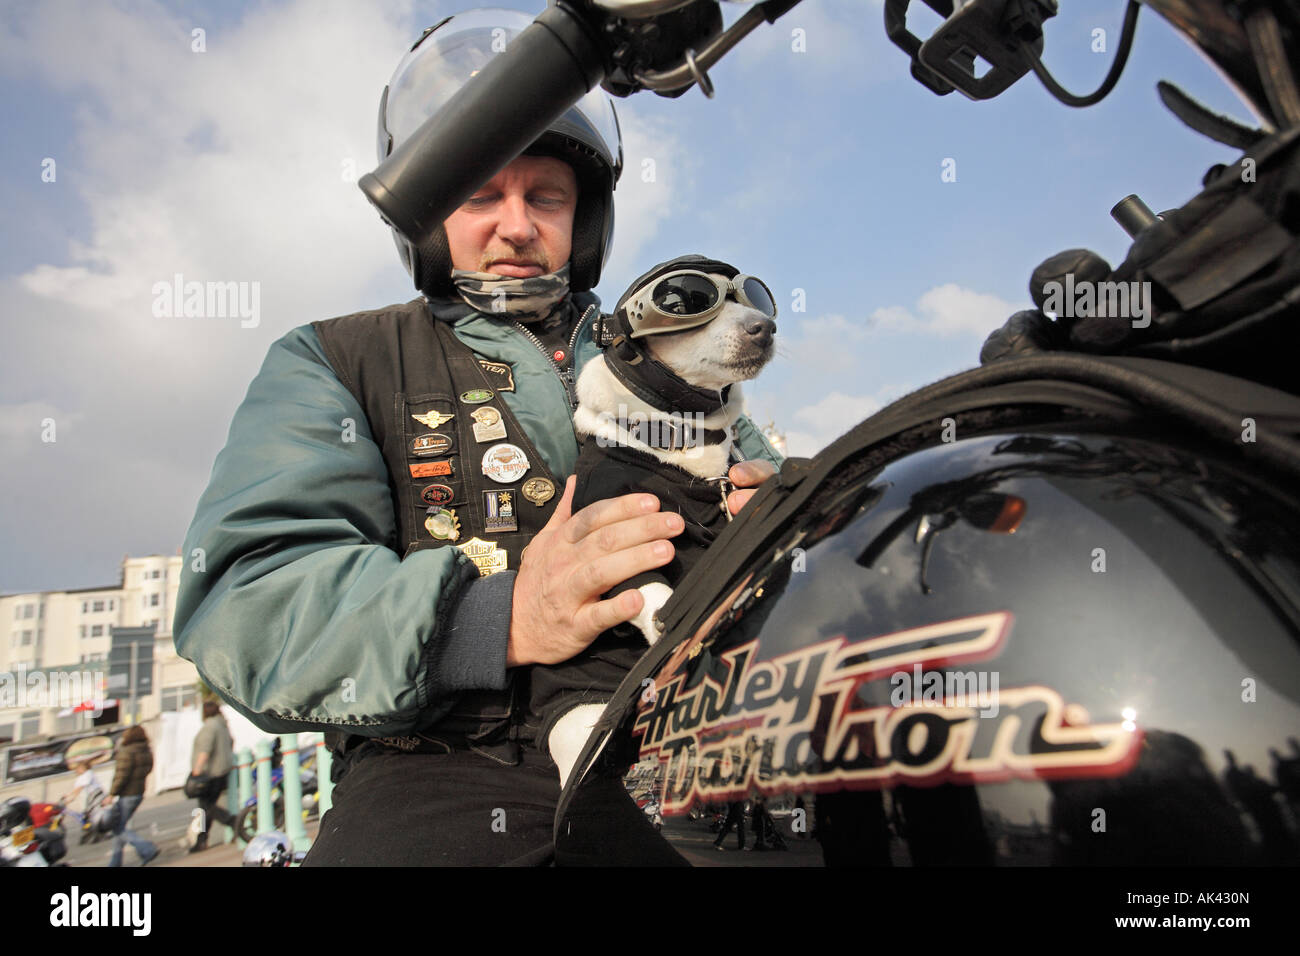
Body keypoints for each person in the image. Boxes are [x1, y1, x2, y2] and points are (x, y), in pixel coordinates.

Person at [173, 10, 781, 866]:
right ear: (425, 217)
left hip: (690, 726)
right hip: (442, 765)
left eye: (547, 196)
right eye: (479, 194)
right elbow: (243, 601)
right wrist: (495, 620)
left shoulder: (664, 354)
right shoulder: (339, 359)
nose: (518, 225)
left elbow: (777, 497)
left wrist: (777, 528)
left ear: (588, 219)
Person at [106, 726, 159, 866]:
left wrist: (112, 793)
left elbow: (121, 775)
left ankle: (147, 848)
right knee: (120, 827)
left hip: (127, 794)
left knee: (118, 828)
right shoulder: (146, 749)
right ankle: (115, 863)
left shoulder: (127, 752)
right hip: (139, 791)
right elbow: (149, 768)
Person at [189, 699, 237, 853]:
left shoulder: (210, 727)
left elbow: (205, 749)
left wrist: (196, 771)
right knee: (206, 807)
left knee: (206, 807)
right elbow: (231, 741)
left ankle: (232, 821)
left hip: (211, 773)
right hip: (223, 770)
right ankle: (202, 839)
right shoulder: (223, 725)